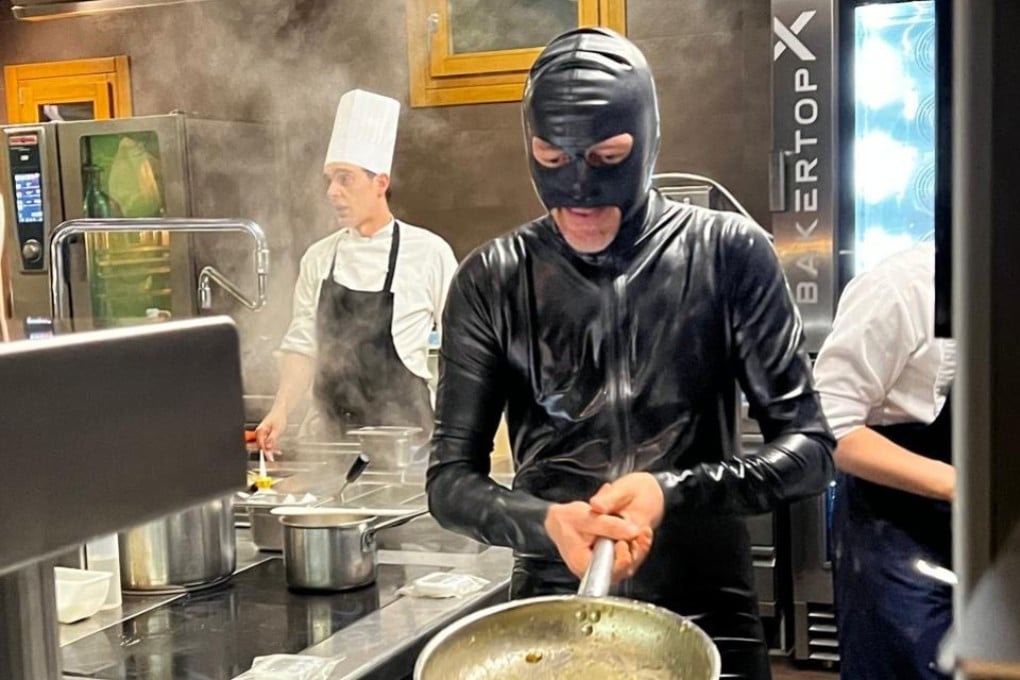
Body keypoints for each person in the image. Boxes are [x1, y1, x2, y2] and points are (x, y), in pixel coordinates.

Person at [425, 28, 835, 679]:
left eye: (608, 156)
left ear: (647, 144)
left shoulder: (728, 255)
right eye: (551, 163)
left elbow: (811, 451)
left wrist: (671, 491)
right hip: (552, 613)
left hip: (709, 615)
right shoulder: (493, 279)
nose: (580, 196)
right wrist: (545, 521)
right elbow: (449, 483)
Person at [256, 89, 458, 454]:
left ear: (380, 183)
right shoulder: (319, 257)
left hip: (406, 450)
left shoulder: (429, 254)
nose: (332, 191)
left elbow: (461, 353)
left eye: (345, 178)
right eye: (330, 179)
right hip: (329, 448)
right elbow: (304, 344)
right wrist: (281, 408)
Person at [813, 241, 954, 680]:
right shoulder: (902, 286)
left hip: (974, 528)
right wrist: (957, 485)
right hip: (892, 528)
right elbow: (825, 425)